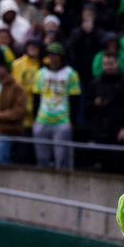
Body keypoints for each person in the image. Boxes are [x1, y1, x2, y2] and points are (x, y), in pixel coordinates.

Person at [32, 43, 82, 171]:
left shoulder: (70, 74)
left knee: (62, 159)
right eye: (50, 55)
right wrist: (35, 119)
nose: (53, 58)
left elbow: (75, 99)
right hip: (43, 118)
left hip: (62, 120)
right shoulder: (41, 73)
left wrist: (72, 120)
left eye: (55, 55)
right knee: (42, 158)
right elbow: (36, 97)